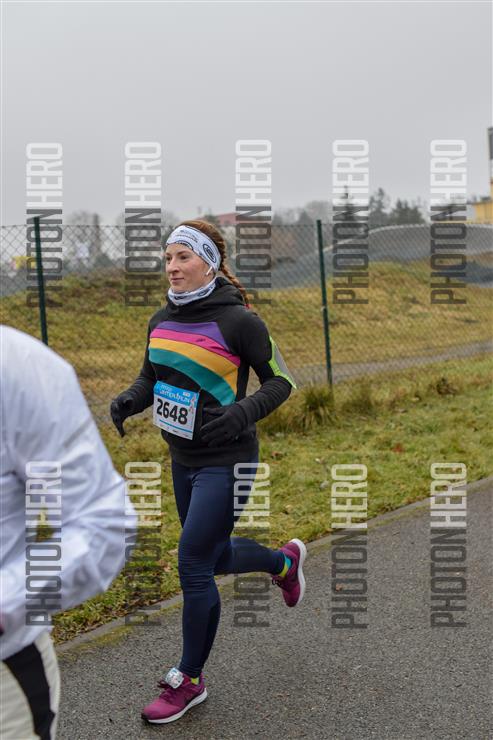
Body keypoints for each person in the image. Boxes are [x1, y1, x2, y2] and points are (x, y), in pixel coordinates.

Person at [110, 220, 307, 725]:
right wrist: (131, 399)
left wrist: (242, 412)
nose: (172, 268)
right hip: (183, 459)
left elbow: (281, 381)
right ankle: (283, 563)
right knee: (215, 557)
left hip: (229, 460)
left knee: (194, 561)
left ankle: (188, 680)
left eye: (183, 257)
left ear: (210, 263)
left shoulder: (240, 321)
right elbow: (152, 376)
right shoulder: (161, 319)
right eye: (167, 258)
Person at [0, 325, 137, 739]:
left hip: (6, 670)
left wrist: (5, 600)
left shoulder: (17, 367)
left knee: (200, 559)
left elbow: (104, 523)